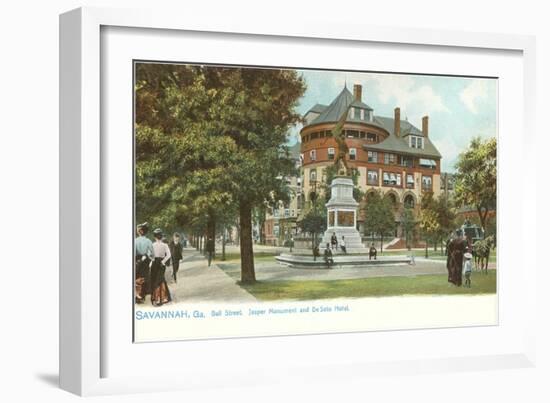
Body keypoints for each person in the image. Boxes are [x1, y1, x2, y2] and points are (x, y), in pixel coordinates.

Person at [150, 228, 172, 306]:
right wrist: (163, 262)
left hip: (154, 263)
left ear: (155, 237)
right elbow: (169, 255)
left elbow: (150, 255)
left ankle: (156, 299)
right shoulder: (165, 245)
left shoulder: (152, 245)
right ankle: (163, 298)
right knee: (161, 280)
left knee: (154, 280)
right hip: (161, 264)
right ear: (161, 236)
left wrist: (152, 260)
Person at [135, 222, 153, 304]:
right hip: (145, 261)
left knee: (137, 277)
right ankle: (143, 295)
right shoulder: (148, 241)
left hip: (137, 260)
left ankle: (138, 296)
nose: (136, 231)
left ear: (140, 231)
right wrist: (147, 256)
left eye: (138, 230)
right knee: (144, 277)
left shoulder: (135, 241)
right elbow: (152, 253)